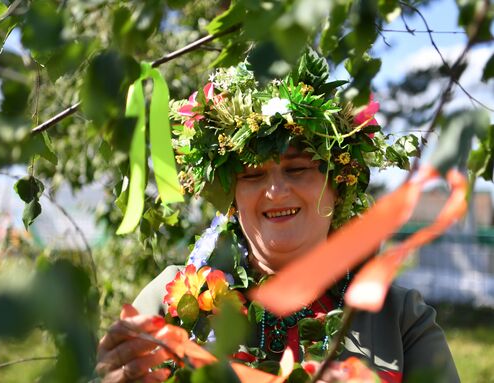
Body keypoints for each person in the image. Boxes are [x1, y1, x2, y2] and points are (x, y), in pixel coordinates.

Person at [96, 51, 460, 383]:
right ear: (232, 198)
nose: (275, 191)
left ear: (338, 184)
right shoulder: (170, 298)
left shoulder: (398, 317)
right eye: (252, 175)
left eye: (297, 169)